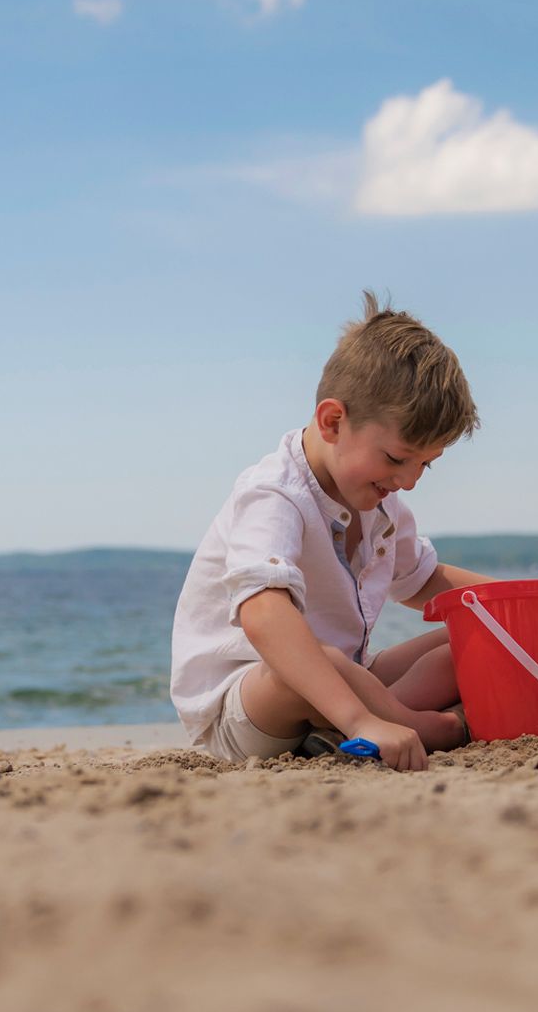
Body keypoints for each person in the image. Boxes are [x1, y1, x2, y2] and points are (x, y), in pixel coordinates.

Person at [171, 294, 495, 771]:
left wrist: (517, 602)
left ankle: (342, 729)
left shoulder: (379, 503)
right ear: (333, 421)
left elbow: (423, 582)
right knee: (318, 662)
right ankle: (437, 728)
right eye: (396, 458)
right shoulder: (274, 494)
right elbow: (263, 615)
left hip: (344, 680)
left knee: (470, 640)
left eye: (426, 464)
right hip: (250, 704)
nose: (408, 481)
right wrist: (361, 718)